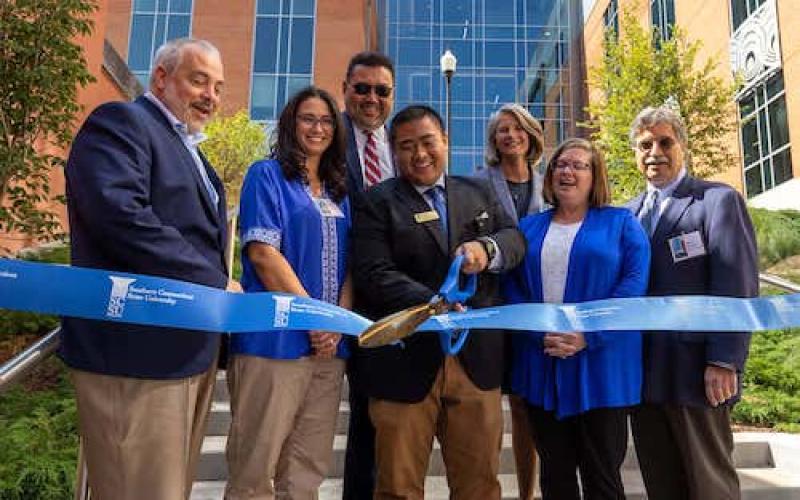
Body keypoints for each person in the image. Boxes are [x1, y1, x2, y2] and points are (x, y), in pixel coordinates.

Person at [62, 38, 237, 500]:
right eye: (199, 80)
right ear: (161, 77)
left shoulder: (193, 153)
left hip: (185, 354)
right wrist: (215, 284)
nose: (210, 96)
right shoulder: (122, 122)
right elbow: (119, 215)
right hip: (133, 356)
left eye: (218, 87)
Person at [351, 105, 526, 500]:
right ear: (394, 152)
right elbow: (373, 271)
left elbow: (515, 239)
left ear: (446, 142)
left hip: (475, 363)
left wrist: (488, 247)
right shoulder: (376, 202)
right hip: (402, 363)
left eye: (428, 142)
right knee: (396, 487)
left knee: (480, 486)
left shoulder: (479, 191)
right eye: (407, 146)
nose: (419, 154)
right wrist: (434, 303)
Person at [224, 86, 352, 499]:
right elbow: (263, 254)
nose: (318, 128)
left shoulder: (339, 190)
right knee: (255, 468)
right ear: (290, 124)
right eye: (308, 118)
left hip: (329, 350)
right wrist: (315, 318)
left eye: (327, 120)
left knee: (307, 468)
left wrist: (337, 326)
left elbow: (354, 266)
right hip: (274, 342)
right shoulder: (267, 175)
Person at [505, 138, 650, 500]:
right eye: (560, 165)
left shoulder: (622, 223)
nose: (566, 172)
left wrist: (588, 335)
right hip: (543, 365)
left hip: (601, 369)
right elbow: (511, 287)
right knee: (555, 478)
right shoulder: (528, 228)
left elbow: (632, 288)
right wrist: (537, 334)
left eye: (578, 165)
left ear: (595, 176)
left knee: (602, 477)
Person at [626, 106, 759, 500]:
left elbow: (736, 283)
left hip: (697, 373)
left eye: (665, 142)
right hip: (642, 375)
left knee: (709, 485)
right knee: (661, 484)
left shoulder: (716, 201)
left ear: (682, 146)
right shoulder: (626, 214)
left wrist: (724, 359)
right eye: (645, 144)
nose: (655, 152)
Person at [475, 103, 546, 500]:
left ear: (531, 135)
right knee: (487, 404)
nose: (510, 135)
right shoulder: (478, 182)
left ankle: (526, 492)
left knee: (524, 405)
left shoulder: (549, 182)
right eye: (502, 130)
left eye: (517, 128)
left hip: (534, 301)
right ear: (494, 140)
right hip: (491, 302)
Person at [340, 50, 397, 500]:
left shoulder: (399, 145)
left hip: (389, 302)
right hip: (335, 297)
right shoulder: (322, 136)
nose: (372, 98)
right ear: (346, 91)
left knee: (372, 420)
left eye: (382, 91)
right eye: (362, 88)